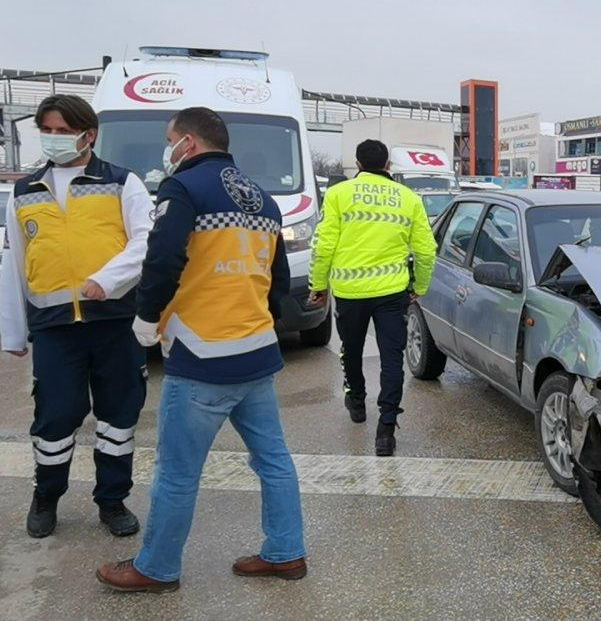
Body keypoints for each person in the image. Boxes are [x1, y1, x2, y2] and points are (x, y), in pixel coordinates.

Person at [97, 107, 306, 593]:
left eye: (169, 139)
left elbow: (162, 257)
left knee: (176, 472)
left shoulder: (184, 188)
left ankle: (156, 568)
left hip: (202, 354)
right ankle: (286, 552)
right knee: (274, 461)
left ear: (188, 143)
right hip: (256, 351)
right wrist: (260, 321)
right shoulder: (263, 199)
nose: (167, 149)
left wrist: (146, 316)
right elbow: (277, 279)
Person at [0, 95, 152, 539]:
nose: (54, 138)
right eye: (47, 130)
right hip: (55, 328)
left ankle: (112, 500)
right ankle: (46, 495)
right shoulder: (25, 191)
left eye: (64, 131)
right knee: (55, 417)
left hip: (115, 322)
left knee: (118, 417)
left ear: (89, 135)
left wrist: (108, 278)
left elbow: (147, 240)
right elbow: (15, 264)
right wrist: (13, 332)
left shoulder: (122, 183)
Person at [308, 139, 436, 456]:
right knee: (392, 358)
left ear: (358, 164)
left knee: (351, 350)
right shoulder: (408, 198)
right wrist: (419, 286)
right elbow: (426, 250)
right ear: (388, 165)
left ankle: (356, 401)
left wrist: (318, 285)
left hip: (350, 292)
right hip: (392, 293)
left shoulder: (338, 194)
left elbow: (323, 246)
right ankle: (386, 429)